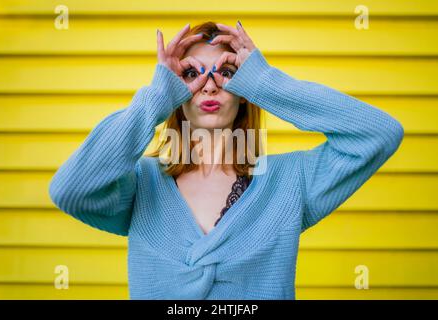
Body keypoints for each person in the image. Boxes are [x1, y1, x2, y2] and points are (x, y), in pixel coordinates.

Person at [48, 21, 404, 300]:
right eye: (191, 73)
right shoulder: (141, 185)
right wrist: (156, 97)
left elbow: (379, 134)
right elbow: (70, 190)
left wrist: (264, 81)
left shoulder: (290, 183)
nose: (209, 84)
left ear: (245, 92)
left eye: (227, 72)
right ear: (176, 91)